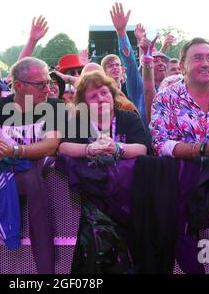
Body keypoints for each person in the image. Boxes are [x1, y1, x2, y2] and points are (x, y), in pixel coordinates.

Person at [0, 57, 63, 274]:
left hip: (45, 200)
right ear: (18, 85)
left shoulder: (54, 106)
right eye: (41, 84)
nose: (48, 89)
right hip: (1, 198)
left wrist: (14, 150)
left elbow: (51, 145)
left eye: (49, 82)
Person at [58, 71, 149, 273]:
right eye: (93, 96)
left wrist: (117, 148)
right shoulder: (78, 122)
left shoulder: (129, 118)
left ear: (113, 94)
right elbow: (63, 147)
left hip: (128, 202)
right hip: (90, 205)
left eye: (104, 93)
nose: (101, 99)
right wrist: (88, 149)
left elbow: (142, 148)